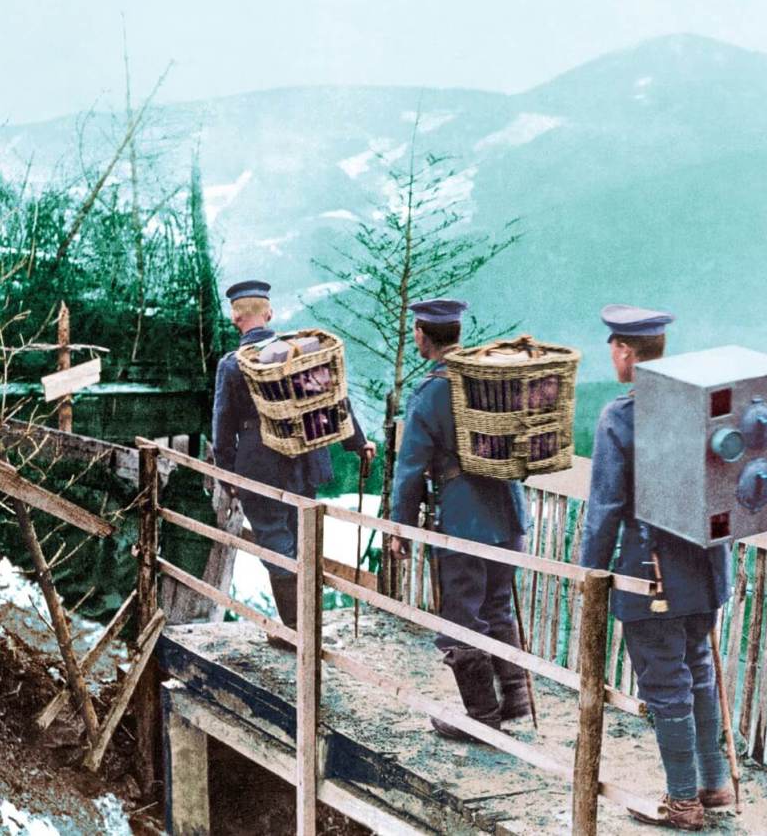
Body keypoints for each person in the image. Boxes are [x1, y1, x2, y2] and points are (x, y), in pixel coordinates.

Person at [578, 304, 732, 831]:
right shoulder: (700, 404)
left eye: (614, 348)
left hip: (653, 577)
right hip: (705, 575)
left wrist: (590, 573)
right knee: (697, 669)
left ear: (625, 352)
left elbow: (604, 510)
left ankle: (683, 802)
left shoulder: (621, 417)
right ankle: (714, 784)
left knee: (666, 684)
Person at [389, 298, 530, 740]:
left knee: (462, 617)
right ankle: (515, 696)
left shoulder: (431, 392)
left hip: (465, 520)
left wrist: (400, 528)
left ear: (422, 336)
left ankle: (482, 716)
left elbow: (410, 469)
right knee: (496, 605)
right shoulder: (489, 380)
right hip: (510, 512)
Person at [212, 280, 375, 647]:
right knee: (302, 539)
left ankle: (296, 631)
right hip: (304, 460)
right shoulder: (298, 353)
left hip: (260, 465)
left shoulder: (233, 365)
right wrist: (357, 442)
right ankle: (305, 626)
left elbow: (222, 429)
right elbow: (332, 400)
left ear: (236, 318)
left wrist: (227, 476)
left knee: (274, 539)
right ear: (269, 314)